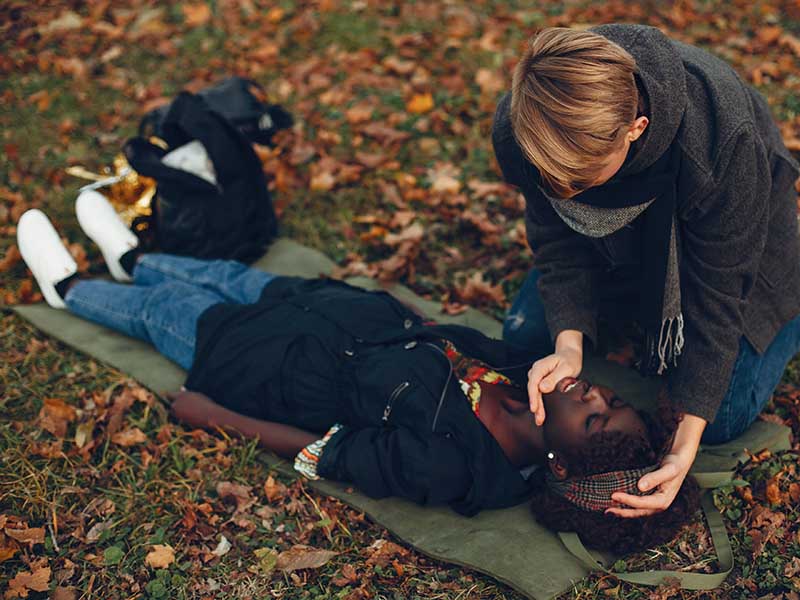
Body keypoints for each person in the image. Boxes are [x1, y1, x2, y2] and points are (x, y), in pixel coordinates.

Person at [17, 194, 698, 553]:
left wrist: (216, 416)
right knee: (226, 275)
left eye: (596, 416)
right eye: (609, 397)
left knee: (173, 312)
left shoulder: (454, 468)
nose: (593, 392)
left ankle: (73, 289)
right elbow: (446, 339)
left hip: (268, 367)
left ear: (561, 461)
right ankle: (132, 255)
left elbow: (334, 450)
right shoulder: (529, 373)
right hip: (325, 311)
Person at [491, 25, 800, 518]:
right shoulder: (525, 126)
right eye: (553, 181)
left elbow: (718, 293)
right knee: (523, 338)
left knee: (720, 416)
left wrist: (685, 444)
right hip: (619, 244)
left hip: (731, 241)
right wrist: (568, 345)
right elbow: (559, 243)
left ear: (636, 129)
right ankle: (630, 294)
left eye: (580, 180)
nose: (565, 195)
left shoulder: (721, 138)